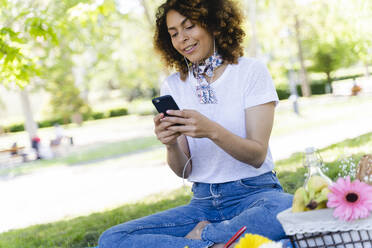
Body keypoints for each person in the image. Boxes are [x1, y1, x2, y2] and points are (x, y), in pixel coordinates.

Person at [98, 0, 293, 247]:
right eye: (174, 34)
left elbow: (256, 155)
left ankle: (203, 238)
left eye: (189, 26)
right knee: (113, 239)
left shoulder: (250, 72)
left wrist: (211, 130)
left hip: (256, 194)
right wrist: (170, 146)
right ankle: (226, 243)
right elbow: (184, 170)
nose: (182, 39)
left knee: (284, 208)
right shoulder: (174, 86)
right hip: (203, 203)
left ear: (214, 23)